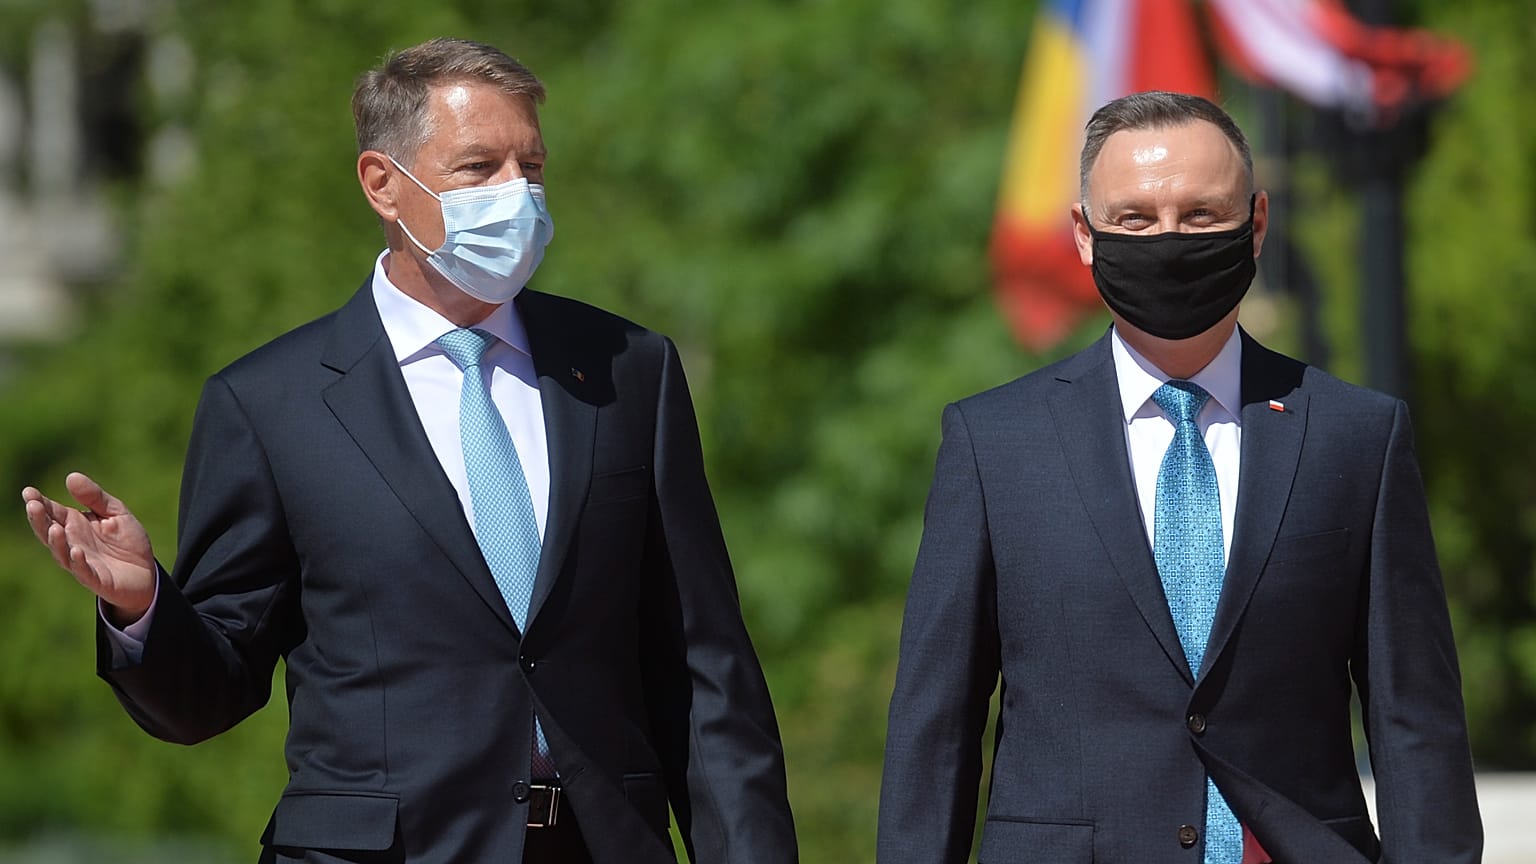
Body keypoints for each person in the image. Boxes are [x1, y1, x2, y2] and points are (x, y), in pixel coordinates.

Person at [21, 37, 797, 864]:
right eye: (478, 168)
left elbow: (704, 667)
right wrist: (144, 611)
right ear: (382, 184)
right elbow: (208, 694)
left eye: (530, 167)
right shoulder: (269, 404)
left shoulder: (627, 370)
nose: (517, 194)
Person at [876, 91, 1481, 864]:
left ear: (1256, 224)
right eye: (1134, 218)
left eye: (1202, 216)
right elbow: (937, 723)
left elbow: (1416, 719)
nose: (1169, 238)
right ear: (1085, 235)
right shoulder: (994, 443)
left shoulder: (1356, 436)